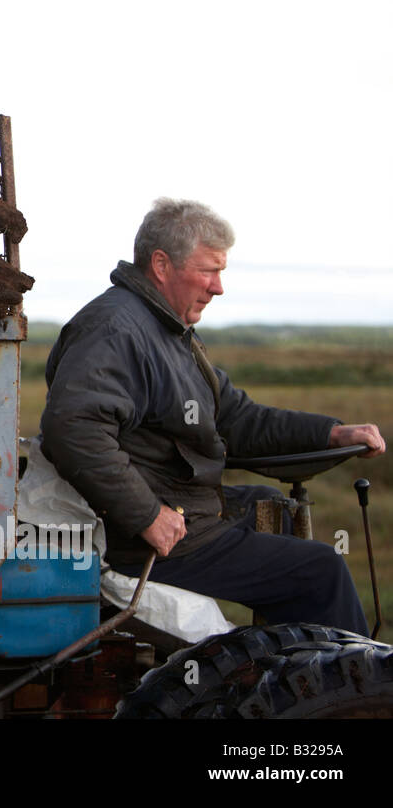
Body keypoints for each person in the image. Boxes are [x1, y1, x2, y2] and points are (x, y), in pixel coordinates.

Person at [39, 198, 384, 636]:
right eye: (208, 271)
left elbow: (235, 419)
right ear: (161, 265)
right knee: (320, 571)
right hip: (145, 541)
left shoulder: (163, 328)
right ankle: (343, 692)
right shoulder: (117, 329)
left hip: (185, 511)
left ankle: (280, 670)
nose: (218, 287)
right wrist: (147, 515)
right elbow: (72, 426)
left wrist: (331, 433)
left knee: (275, 507)